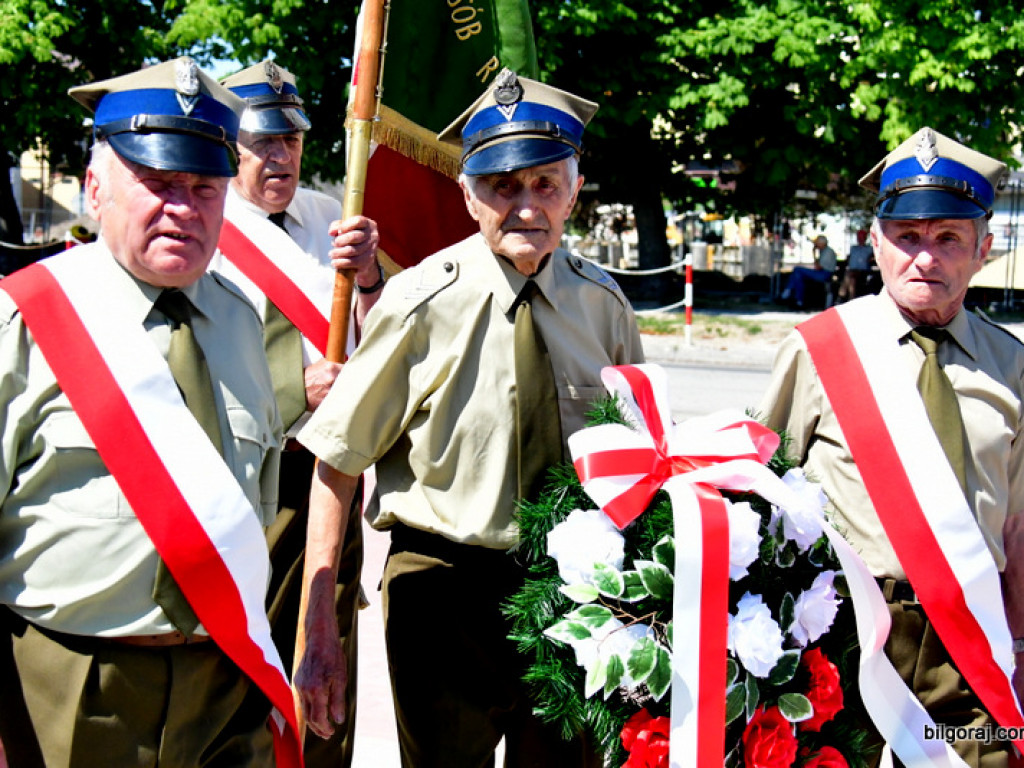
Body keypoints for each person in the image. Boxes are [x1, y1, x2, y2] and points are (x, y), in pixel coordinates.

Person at [293, 68, 645, 767]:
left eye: (546, 184)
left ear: (575, 189)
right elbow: (337, 461)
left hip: (574, 592)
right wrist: (320, 623)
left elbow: (640, 460)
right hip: (442, 592)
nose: (525, 206)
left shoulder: (604, 306)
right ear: (467, 193)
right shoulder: (420, 302)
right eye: (502, 186)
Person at [0, 58, 297, 767]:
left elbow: (255, 506)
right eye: (159, 183)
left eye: (204, 187)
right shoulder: (24, 317)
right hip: (72, 686)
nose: (185, 208)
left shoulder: (240, 322)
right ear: (94, 188)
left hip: (225, 682)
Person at [759, 126, 1023, 766]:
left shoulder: (1011, 366)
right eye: (907, 237)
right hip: (849, 637)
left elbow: (1016, 527)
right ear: (875, 243)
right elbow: (763, 496)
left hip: (971, 645)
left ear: (983, 249)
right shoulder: (818, 351)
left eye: (948, 238)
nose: (924, 258)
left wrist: (1016, 649)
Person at [214, 59, 382, 768]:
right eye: (263, 143)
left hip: (332, 480)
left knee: (324, 668)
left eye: (292, 141)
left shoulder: (330, 213)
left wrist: (371, 277)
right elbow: (189, 364)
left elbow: (389, 338)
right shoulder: (205, 221)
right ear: (232, 148)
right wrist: (292, 389)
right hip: (251, 486)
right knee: (242, 675)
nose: (281, 157)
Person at [781, 234, 837, 308]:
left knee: (797, 270)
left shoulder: (828, 252)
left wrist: (813, 253)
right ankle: (798, 300)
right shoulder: (824, 251)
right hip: (822, 272)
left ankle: (788, 290)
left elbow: (818, 267)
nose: (816, 245)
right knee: (798, 276)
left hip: (824, 274)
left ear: (821, 243)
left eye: (817, 243)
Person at [837, 228, 873, 302]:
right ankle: (851, 300)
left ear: (865, 238)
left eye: (862, 237)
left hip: (863, 272)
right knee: (851, 279)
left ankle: (840, 297)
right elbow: (849, 259)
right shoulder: (853, 248)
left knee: (848, 275)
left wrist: (871, 258)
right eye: (858, 237)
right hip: (852, 271)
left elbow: (874, 258)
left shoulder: (869, 249)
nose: (860, 239)